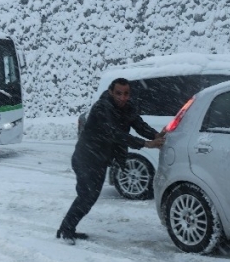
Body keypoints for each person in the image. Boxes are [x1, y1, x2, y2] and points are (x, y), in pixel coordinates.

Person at [57, 77, 165, 244]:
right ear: (110, 92)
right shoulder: (101, 108)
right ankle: (66, 230)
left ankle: (67, 228)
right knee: (87, 196)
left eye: (126, 94)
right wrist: (146, 144)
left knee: (89, 197)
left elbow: (139, 125)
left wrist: (156, 135)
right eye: (118, 93)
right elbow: (114, 134)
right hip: (86, 158)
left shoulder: (128, 107)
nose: (123, 97)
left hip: (100, 160)